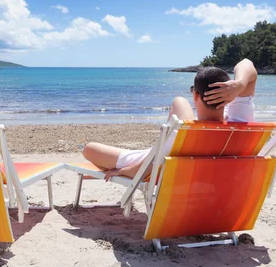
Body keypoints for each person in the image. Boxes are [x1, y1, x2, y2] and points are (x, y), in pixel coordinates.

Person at [82, 58, 258, 180]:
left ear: (196, 95)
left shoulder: (181, 134)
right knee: (179, 109)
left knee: (88, 149)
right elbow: (247, 64)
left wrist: (123, 171)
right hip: (206, 173)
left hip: (150, 162)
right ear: (232, 94)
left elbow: (149, 167)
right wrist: (240, 84)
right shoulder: (240, 121)